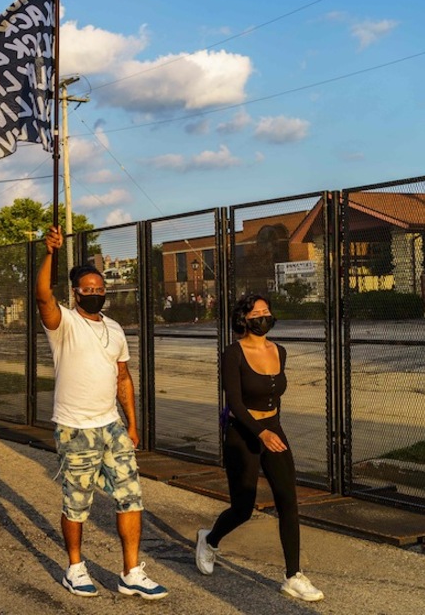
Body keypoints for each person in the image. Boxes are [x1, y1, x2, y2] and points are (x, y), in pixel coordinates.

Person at [35, 225, 167, 601]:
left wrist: (132, 424)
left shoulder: (114, 327)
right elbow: (42, 294)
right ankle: (75, 568)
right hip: (76, 428)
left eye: (99, 289)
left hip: (112, 427)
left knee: (131, 497)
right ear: (75, 293)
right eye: (87, 290)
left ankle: (131, 572)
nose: (95, 294)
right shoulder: (64, 323)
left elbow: (123, 377)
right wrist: (50, 254)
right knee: (77, 503)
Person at [195, 293, 324, 602]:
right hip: (243, 433)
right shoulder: (233, 353)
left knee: (287, 501)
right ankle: (209, 540)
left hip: (273, 430)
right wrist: (260, 433)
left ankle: (293, 575)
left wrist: (272, 430)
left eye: (267, 311)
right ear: (245, 319)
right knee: (243, 508)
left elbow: (274, 397)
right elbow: (236, 403)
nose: (264, 316)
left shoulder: (279, 350)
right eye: (258, 313)